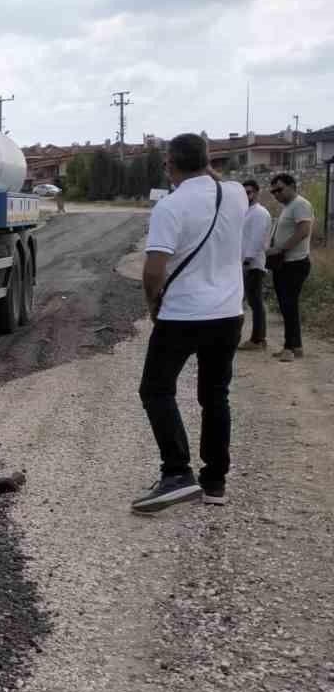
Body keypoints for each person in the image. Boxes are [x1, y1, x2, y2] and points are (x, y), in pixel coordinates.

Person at [132, 133, 248, 514]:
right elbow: (213, 180)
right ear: (208, 159)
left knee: (156, 389)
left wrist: (152, 305)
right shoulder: (235, 194)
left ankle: (178, 472)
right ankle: (215, 482)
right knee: (215, 394)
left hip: (182, 315)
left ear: (170, 164)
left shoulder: (171, 206)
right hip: (228, 313)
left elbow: (153, 271)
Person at [266, 172, 315, 361]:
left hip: (295, 264)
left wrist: (280, 248)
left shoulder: (300, 204)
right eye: (273, 192)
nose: (276, 194)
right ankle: (294, 346)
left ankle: (291, 348)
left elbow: (304, 231)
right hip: (285, 264)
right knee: (286, 306)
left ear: (292, 186)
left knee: (289, 305)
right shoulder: (288, 207)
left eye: (279, 189)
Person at [238, 179, 272, 350]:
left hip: (252, 265)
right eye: (244, 192)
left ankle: (258, 340)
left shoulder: (259, 213)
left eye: (249, 192)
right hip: (243, 263)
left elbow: (256, 240)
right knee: (250, 301)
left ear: (256, 193)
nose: (246, 195)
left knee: (255, 301)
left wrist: (247, 261)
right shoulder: (246, 212)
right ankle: (257, 338)